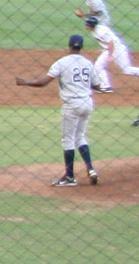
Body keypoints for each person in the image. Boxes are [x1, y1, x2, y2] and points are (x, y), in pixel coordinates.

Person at [16, 34, 98, 188]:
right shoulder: (88, 63)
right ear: (81, 47)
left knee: (68, 140)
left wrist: (25, 82)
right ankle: (91, 169)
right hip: (88, 103)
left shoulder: (62, 63)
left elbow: (44, 82)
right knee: (80, 137)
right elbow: (97, 86)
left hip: (72, 105)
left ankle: (69, 177)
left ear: (69, 46)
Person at [83, 16, 139, 93]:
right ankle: (106, 86)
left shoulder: (100, 32)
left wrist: (110, 56)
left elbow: (111, 42)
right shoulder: (97, 30)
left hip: (118, 50)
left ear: (91, 25)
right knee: (98, 66)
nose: (85, 26)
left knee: (126, 69)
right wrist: (102, 50)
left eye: (87, 24)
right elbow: (109, 41)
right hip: (109, 49)